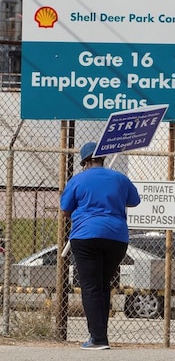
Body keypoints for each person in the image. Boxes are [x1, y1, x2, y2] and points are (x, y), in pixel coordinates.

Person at [60, 141, 140, 350]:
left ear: (85, 161)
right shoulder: (120, 178)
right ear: (103, 158)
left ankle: (97, 338)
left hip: (86, 235)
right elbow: (134, 201)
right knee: (104, 285)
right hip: (116, 237)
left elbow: (65, 209)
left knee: (91, 286)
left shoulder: (78, 180)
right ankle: (100, 335)